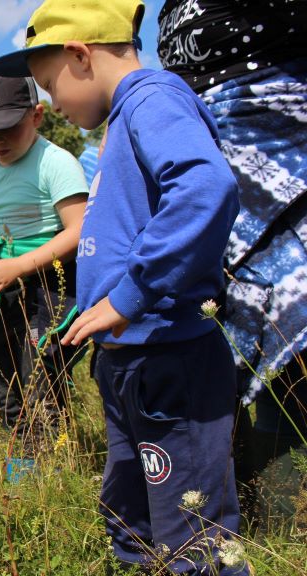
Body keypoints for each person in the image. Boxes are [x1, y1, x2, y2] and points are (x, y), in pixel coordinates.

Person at [0, 0, 248, 573]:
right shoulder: (122, 124)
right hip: (131, 364)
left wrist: (128, 296)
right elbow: (123, 231)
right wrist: (85, 311)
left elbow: (206, 190)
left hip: (171, 359)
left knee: (192, 532)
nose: (52, 103)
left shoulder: (153, 100)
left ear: (81, 55)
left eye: (51, 84)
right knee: (129, 513)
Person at [157, 0, 307, 523]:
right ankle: (245, 504)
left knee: (291, 340)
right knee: (221, 340)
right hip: (201, 135)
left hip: (279, 131)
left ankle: (286, 511)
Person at [0, 71, 88, 431]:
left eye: (7, 127)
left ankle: (51, 464)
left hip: (48, 285)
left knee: (39, 376)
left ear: (36, 116)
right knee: (1, 373)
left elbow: (79, 232)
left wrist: (22, 265)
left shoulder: (55, 163)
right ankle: (22, 462)